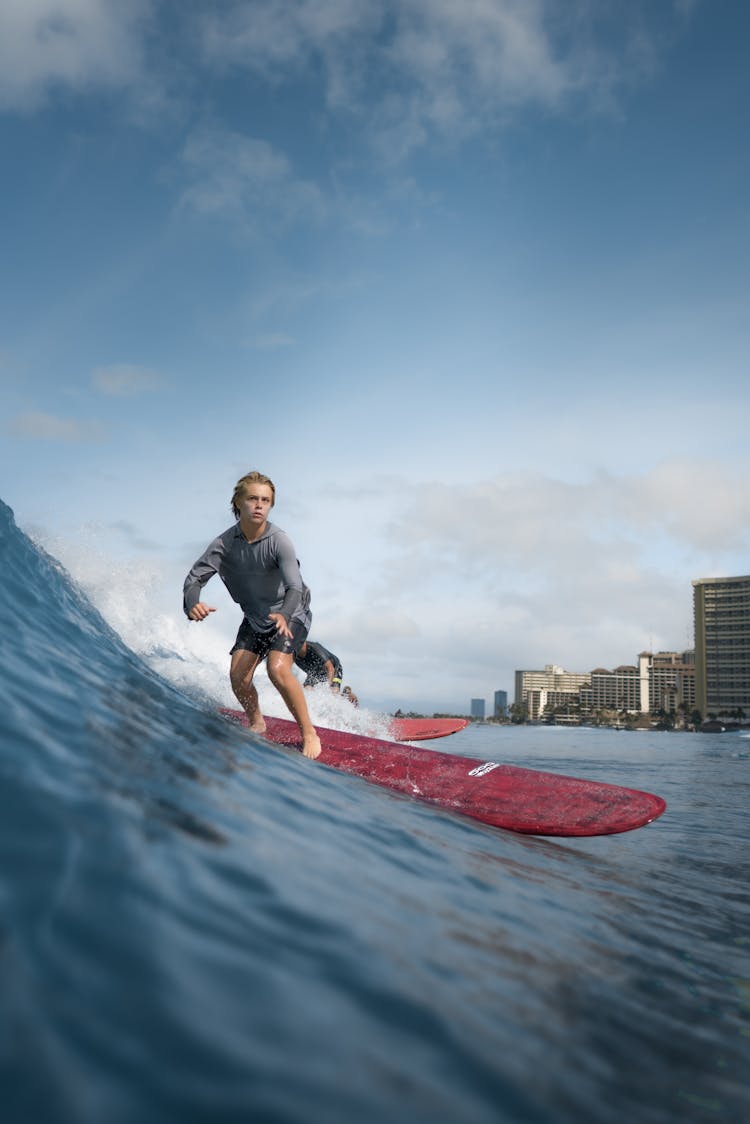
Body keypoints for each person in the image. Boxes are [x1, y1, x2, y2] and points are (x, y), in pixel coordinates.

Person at [182, 471, 321, 759]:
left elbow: (295, 586)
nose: (259, 505)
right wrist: (192, 603)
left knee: (278, 670)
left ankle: (309, 733)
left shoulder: (278, 540)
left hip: (291, 610)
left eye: (266, 500)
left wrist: (284, 614)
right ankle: (257, 722)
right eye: (253, 499)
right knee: (238, 677)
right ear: (238, 502)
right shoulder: (223, 545)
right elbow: (193, 581)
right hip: (256, 617)